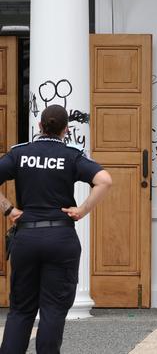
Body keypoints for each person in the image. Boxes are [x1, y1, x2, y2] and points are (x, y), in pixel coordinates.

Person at [0, 105, 112, 353]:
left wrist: (8, 209)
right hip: (60, 238)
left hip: (27, 236)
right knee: (52, 310)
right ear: (66, 130)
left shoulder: (20, 154)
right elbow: (104, 180)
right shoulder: (71, 155)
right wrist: (82, 210)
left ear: (39, 126)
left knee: (21, 309)